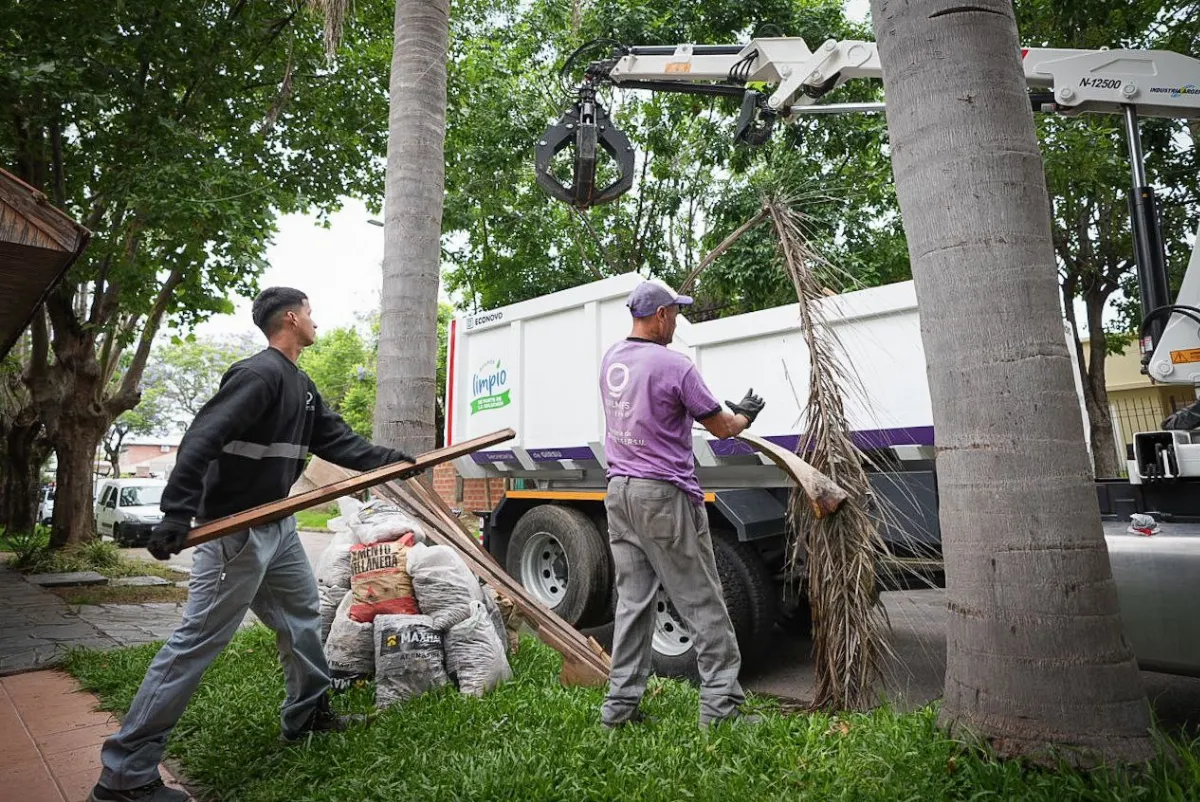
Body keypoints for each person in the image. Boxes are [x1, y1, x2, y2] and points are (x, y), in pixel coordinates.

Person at [89, 287, 419, 802]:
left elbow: (340, 443)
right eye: (310, 312)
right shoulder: (257, 375)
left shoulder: (302, 387)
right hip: (234, 531)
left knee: (301, 617)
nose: (315, 320)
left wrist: (394, 459)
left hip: (278, 525)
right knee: (198, 642)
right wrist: (178, 511)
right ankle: (124, 776)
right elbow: (203, 437)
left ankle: (306, 716)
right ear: (291, 318)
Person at [598, 279, 765, 729]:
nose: (677, 321)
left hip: (619, 493)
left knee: (633, 605)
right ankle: (722, 712)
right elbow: (723, 428)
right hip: (662, 497)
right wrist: (745, 413)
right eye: (675, 313)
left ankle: (618, 711)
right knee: (703, 601)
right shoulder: (675, 366)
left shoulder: (612, 359)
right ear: (660, 316)